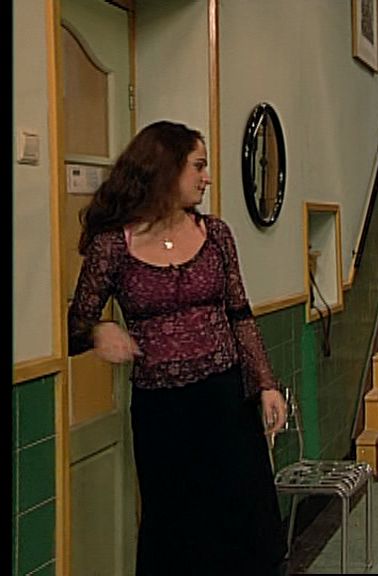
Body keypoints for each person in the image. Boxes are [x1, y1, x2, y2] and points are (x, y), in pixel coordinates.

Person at [67, 120, 289, 574]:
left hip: (226, 399)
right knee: (175, 527)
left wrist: (266, 384)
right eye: (198, 166)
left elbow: (240, 314)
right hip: (162, 411)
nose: (207, 178)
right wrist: (98, 332)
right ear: (165, 168)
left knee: (245, 518)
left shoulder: (217, 233)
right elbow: (76, 323)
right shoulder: (114, 246)